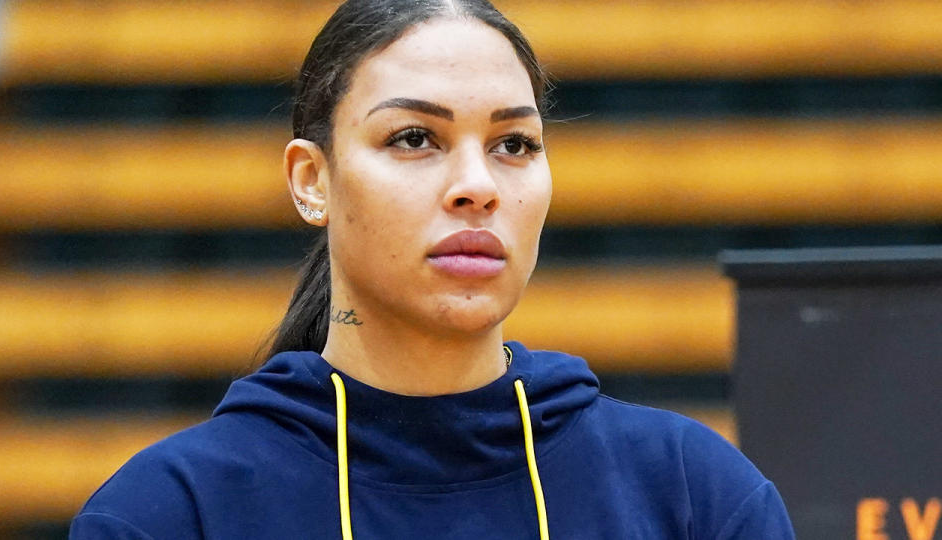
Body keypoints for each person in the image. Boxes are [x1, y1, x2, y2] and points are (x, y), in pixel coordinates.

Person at [70, 0, 795, 538]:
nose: (476, 185)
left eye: (514, 144)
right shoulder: (167, 512)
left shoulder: (694, 494)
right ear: (311, 181)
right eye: (415, 137)